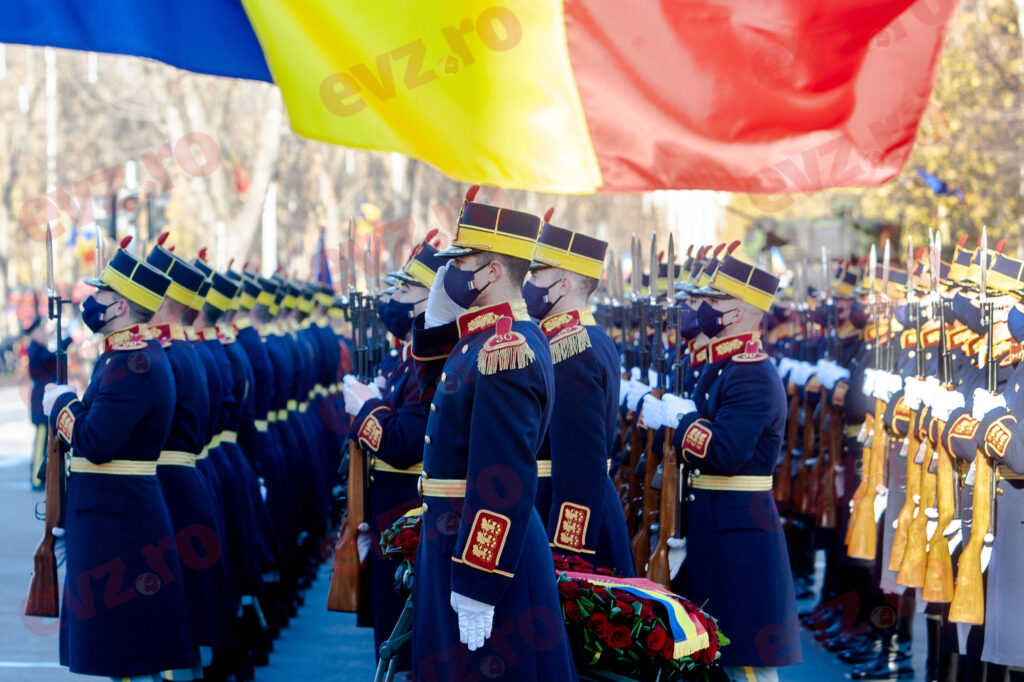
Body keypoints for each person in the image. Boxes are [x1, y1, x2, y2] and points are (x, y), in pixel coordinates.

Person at [410, 188, 576, 680]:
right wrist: (437, 320)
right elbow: (433, 397)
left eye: (464, 263)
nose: (451, 273)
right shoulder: (484, 339)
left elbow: (501, 475)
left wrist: (479, 577)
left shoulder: (507, 347)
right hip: (454, 541)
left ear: (492, 272)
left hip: (483, 554)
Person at [41, 236, 196, 679]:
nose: (93, 302)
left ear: (122, 306)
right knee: (120, 643)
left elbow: (95, 441)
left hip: (119, 518)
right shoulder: (122, 358)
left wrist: (61, 406)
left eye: (102, 295)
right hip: (112, 513)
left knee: (127, 642)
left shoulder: (133, 363)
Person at [668, 252, 802, 681]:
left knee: (745, 662)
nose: (702, 309)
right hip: (717, 528)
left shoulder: (751, 374)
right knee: (716, 655)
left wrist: (682, 421)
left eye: (713, 300)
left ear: (737, 311)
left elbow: (725, 452)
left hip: (739, 537)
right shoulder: (724, 368)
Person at [343, 236, 446, 658]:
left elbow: (404, 444)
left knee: (400, 637)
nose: (394, 299)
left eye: (406, 291)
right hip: (389, 506)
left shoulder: (430, 361)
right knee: (388, 626)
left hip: (407, 503)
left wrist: (365, 406)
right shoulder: (408, 359)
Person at [523, 218, 634, 576]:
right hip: (572, 503)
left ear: (563, 285)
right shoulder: (584, 337)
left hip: (568, 513)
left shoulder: (571, 349)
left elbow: (579, 463)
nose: (529, 285)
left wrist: (566, 554)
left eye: (537, 276)